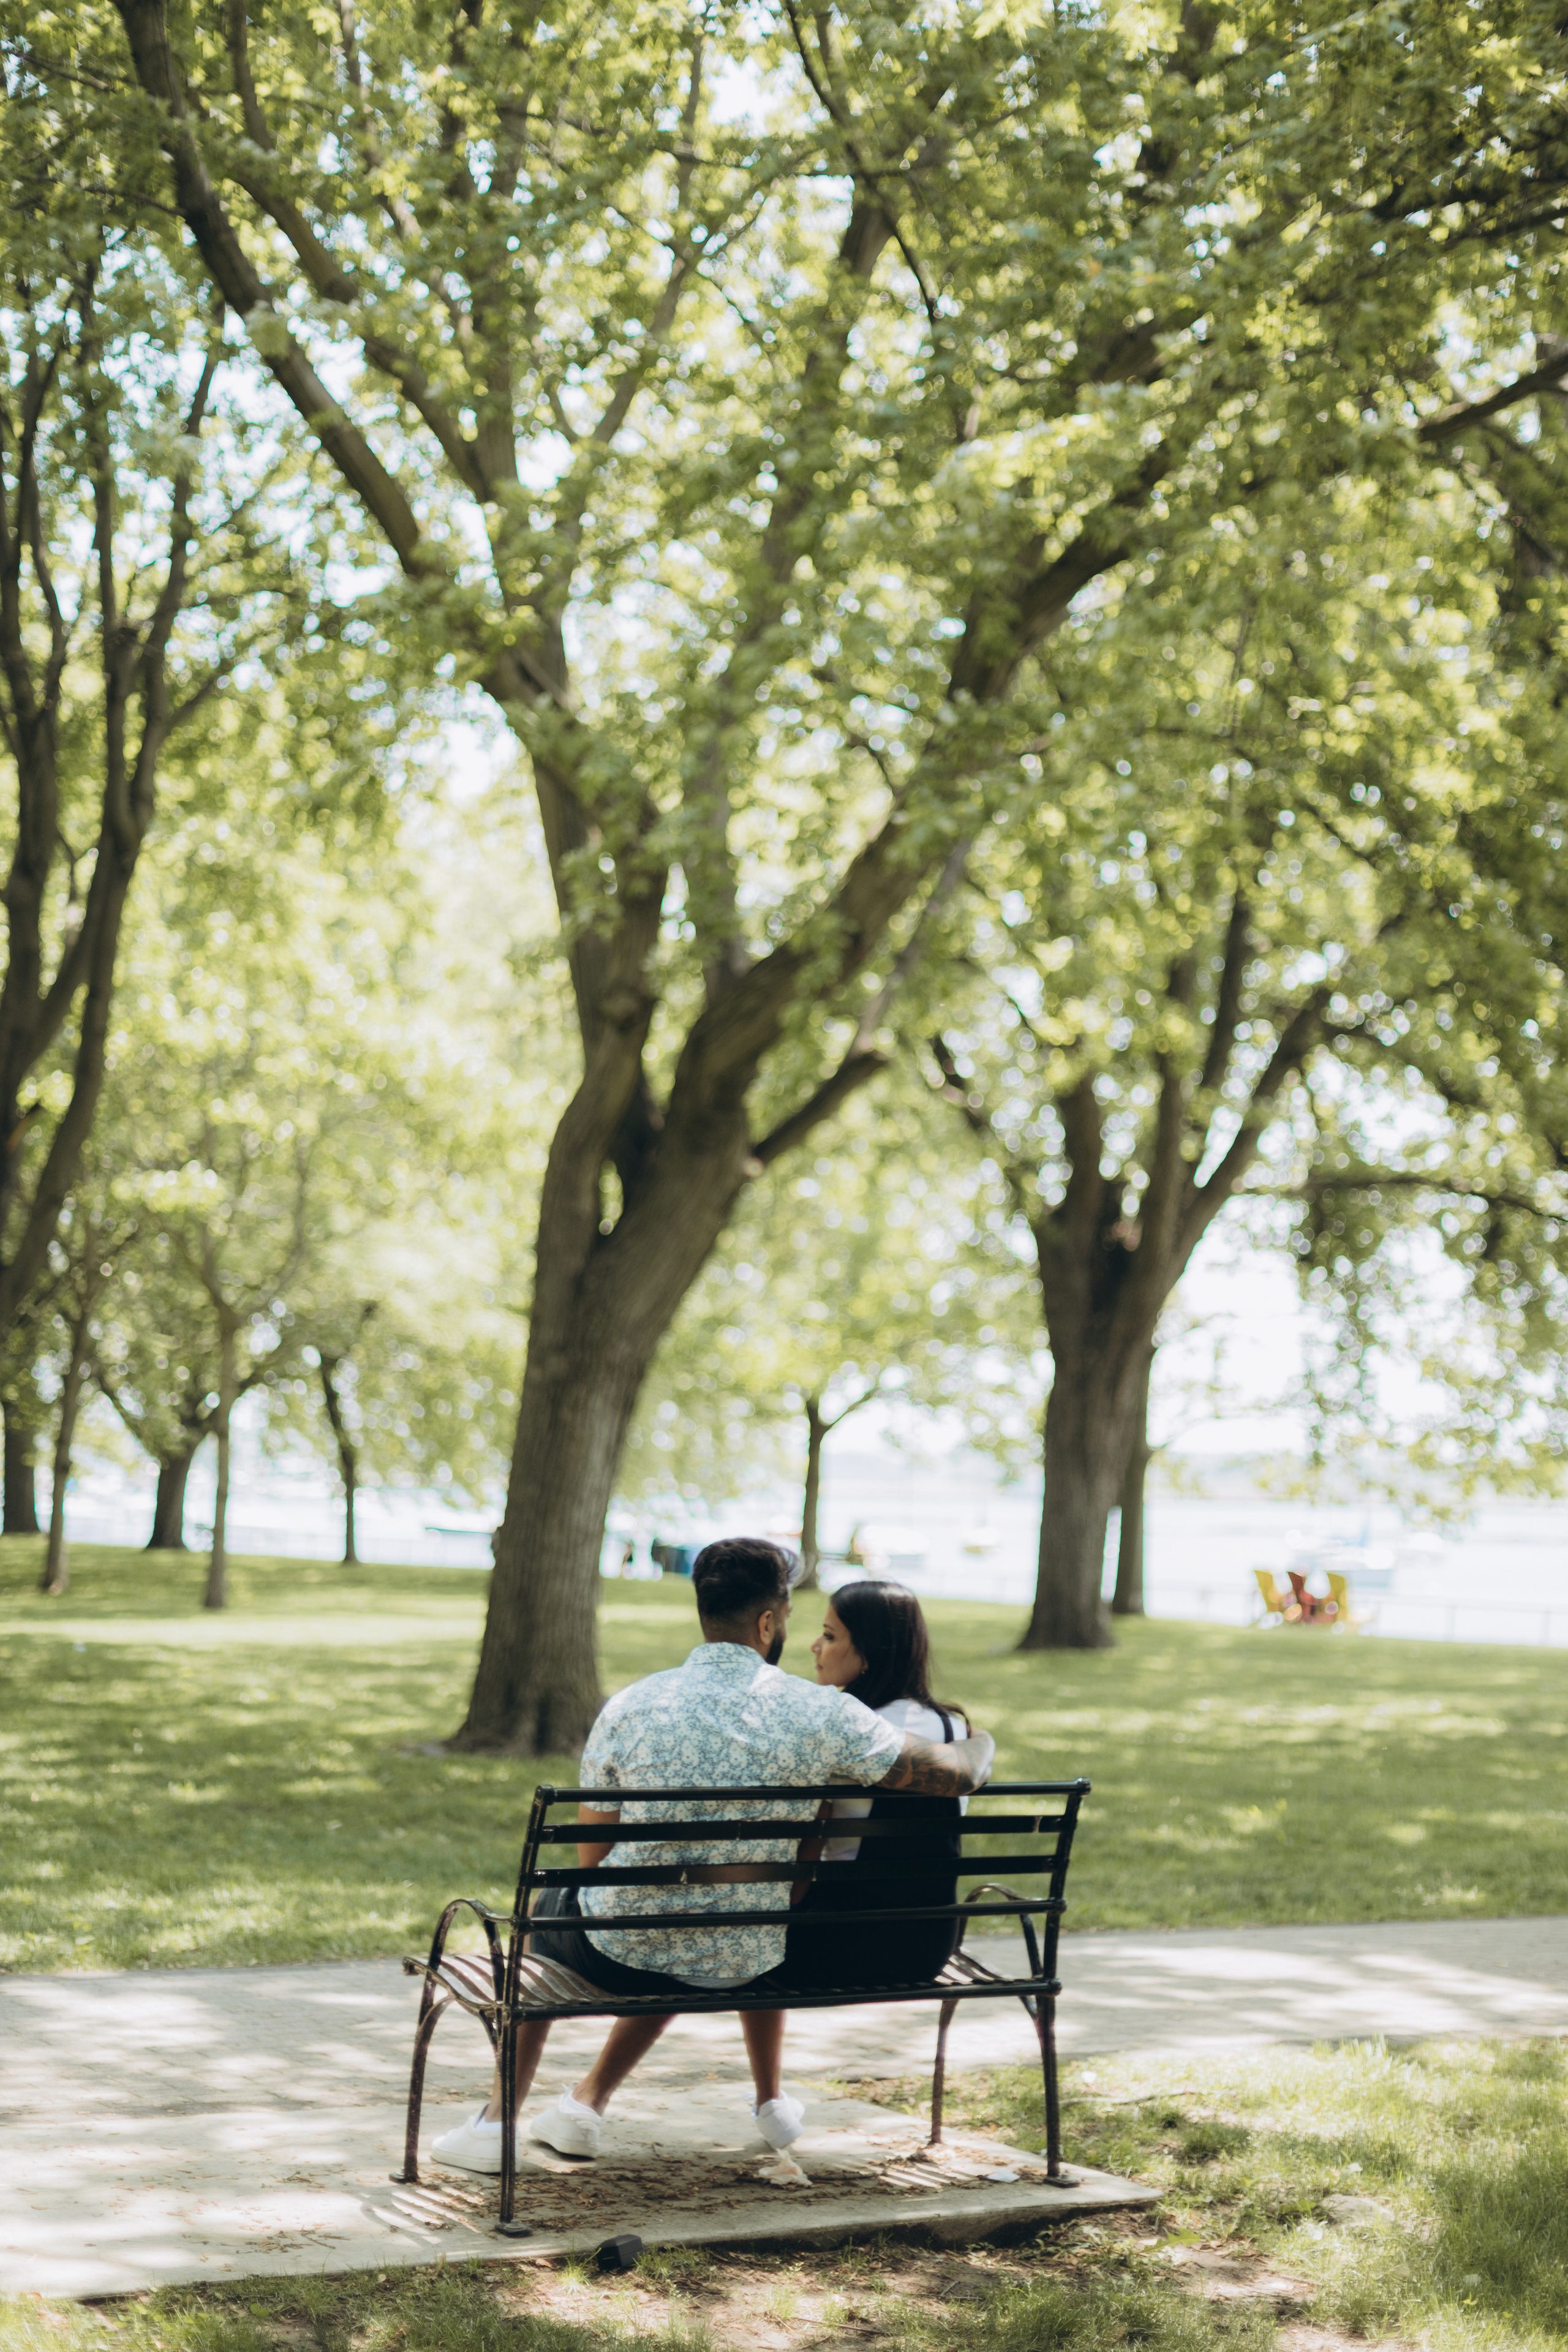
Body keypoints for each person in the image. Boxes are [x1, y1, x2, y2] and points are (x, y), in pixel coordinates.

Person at [431, 1536, 994, 2174]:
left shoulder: (630, 1705)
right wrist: (981, 1744)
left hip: (625, 1960)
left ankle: (497, 2121)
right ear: (767, 1621)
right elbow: (948, 1774)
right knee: (717, 1903)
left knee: (548, 1905)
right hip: (750, 1954)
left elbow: (592, 1859)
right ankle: (729, 2101)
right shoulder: (826, 1714)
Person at [781, 1579, 973, 1989]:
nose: (816, 1646)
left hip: (843, 1941)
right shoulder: (953, 1726)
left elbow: (804, 1845)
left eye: (830, 1636)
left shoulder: (845, 1729)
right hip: (928, 1945)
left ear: (868, 1650)